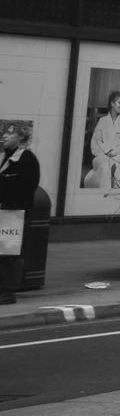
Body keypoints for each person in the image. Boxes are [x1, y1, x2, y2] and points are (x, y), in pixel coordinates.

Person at [0, 122, 42, 305]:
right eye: (4, 133)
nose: (4, 136)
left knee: (10, 254)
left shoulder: (27, 160)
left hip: (14, 214)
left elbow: (25, 187)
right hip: (5, 212)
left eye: (10, 133)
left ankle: (8, 292)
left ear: (21, 138)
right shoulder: (7, 157)